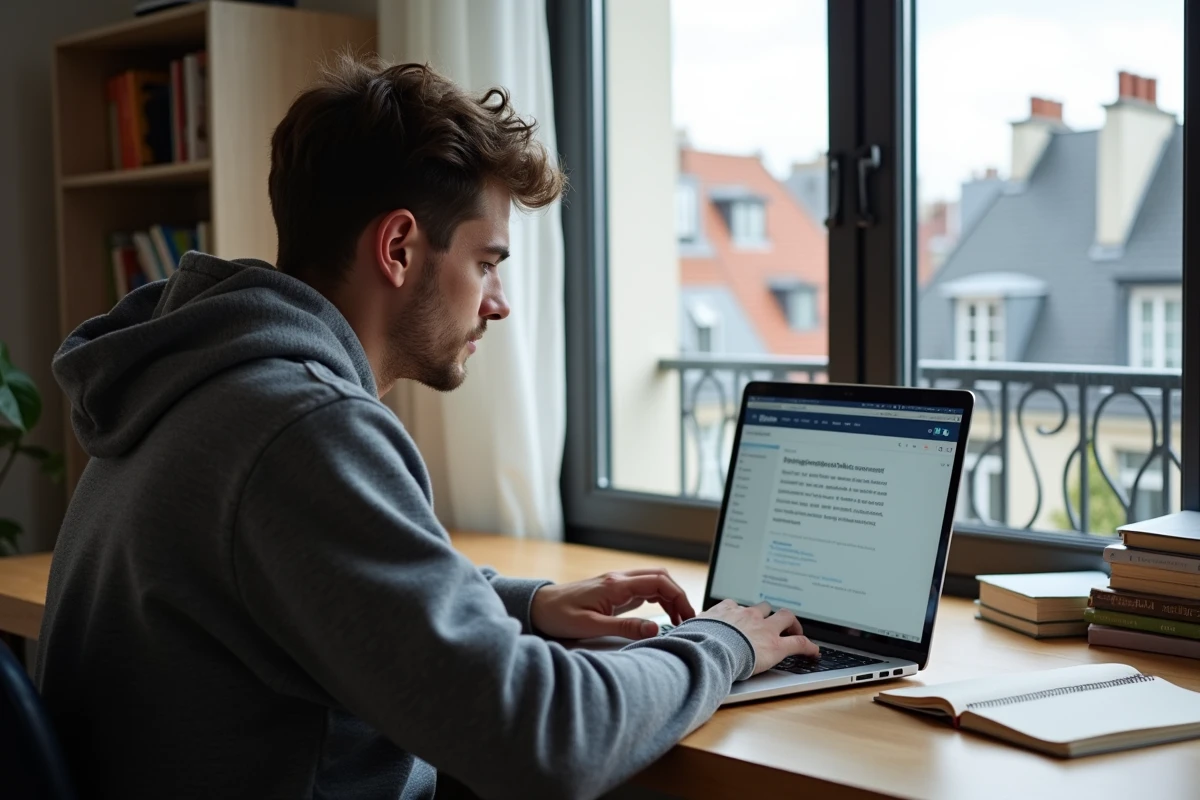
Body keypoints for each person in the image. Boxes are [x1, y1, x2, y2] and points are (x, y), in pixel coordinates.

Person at [36, 55, 818, 800]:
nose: (499, 302)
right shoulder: (303, 428)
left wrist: (524, 606)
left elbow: (306, 584)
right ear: (400, 246)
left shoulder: (193, 378)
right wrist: (723, 644)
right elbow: (546, 744)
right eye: (487, 262)